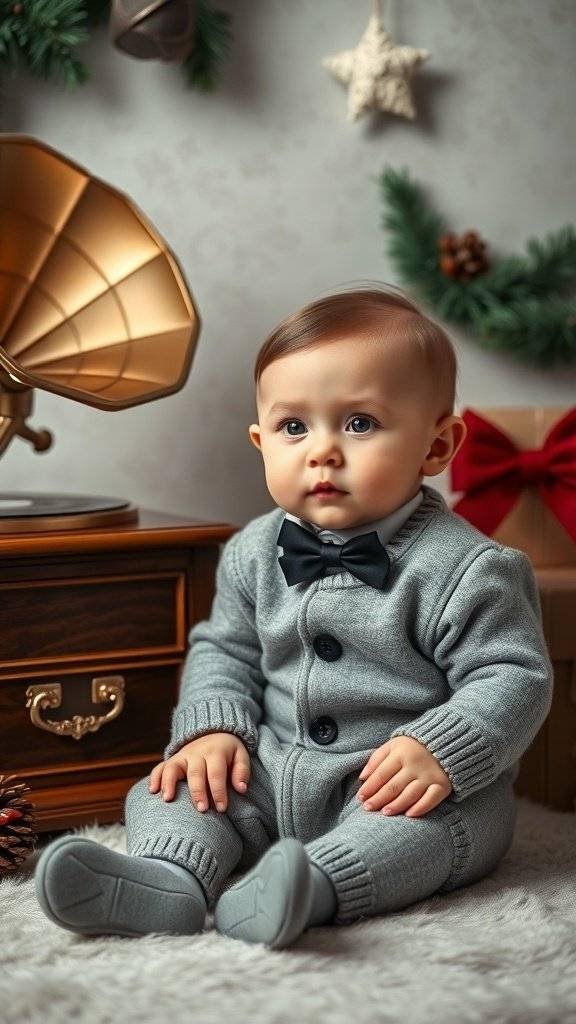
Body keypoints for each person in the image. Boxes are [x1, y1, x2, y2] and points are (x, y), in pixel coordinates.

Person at [35, 285, 553, 949]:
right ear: (261, 440)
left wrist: (441, 750)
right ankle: (167, 880)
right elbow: (224, 650)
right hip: (269, 770)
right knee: (171, 789)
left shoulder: (470, 568)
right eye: (293, 427)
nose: (323, 451)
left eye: (360, 423)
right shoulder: (253, 551)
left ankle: (315, 886)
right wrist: (211, 733)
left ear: (438, 445)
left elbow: (512, 675)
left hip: (394, 784)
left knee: (443, 833)